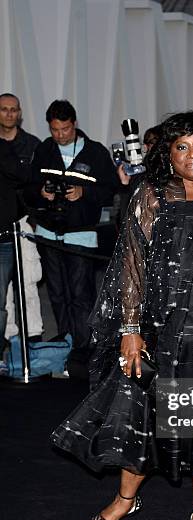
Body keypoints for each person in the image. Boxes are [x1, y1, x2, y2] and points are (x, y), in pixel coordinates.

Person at [51, 112, 193, 520]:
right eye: (181, 147)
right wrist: (131, 329)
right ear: (167, 153)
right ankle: (124, 500)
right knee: (142, 415)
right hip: (160, 327)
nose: (192, 156)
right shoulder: (153, 193)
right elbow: (132, 262)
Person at [24, 100, 117, 377]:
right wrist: (42, 192)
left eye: (64, 129)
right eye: (54, 130)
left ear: (74, 124)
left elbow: (111, 188)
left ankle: (83, 347)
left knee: (80, 293)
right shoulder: (43, 150)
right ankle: (63, 342)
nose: (60, 135)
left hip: (82, 234)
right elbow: (28, 188)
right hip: (48, 232)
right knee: (57, 292)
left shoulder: (95, 151)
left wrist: (83, 192)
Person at [0, 93, 40, 375]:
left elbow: (35, 182)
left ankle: (33, 341)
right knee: (2, 296)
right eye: (4, 110)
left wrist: (35, 218)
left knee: (28, 284)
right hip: (1, 227)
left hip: (23, 223)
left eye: (13, 110)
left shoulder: (32, 145)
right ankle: (7, 343)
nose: (9, 114)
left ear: (20, 113)